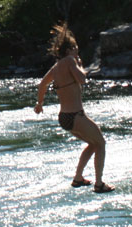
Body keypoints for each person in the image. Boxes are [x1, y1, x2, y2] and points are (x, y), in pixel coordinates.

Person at [35, 23, 113, 193]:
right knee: (100, 143)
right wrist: (79, 65)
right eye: (76, 48)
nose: (77, 51)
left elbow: (42, 84)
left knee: (93, 144)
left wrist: (39, 104)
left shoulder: (56, 68)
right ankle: (99, 184)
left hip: (64, 118)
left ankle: (78, 178)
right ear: (69, 49)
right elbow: (82, 79)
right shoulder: (70, 61)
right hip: (76, 116)